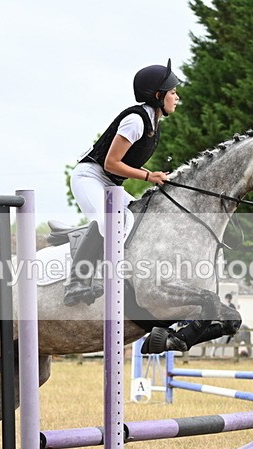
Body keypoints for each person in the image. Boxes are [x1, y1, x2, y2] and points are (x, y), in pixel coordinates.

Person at [64, 58, 180, 306]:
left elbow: (126, 164)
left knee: (138, 216)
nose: (177, 96)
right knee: (108, 220)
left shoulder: (153, 122)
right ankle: (76, 282)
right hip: (90, 177)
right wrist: (149, 176)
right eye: (172, 92)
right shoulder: (136, 121)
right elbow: (111, 163)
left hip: (110, 184)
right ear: (159, 95)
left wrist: (155, 176)